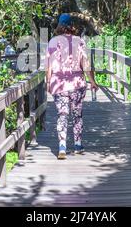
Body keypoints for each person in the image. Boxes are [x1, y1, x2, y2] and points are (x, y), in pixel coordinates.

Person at [45, 13, 99, 160]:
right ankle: (77, 145)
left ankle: (62, 147)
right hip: (77, 85)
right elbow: (86, 65)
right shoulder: (79, 41)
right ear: (72, 26)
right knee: (77, 114)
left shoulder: (52, 42)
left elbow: (48, 66)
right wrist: (92, 81)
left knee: (62, 115)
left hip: (59, 85)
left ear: (59, 26)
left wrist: (48, 82)